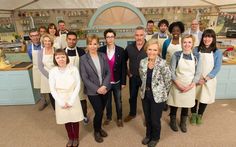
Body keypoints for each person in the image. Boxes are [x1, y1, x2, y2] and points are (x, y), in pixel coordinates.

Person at [139, 39, 171, 147]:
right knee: (147, 117)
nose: (151, 52)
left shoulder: (163, 63)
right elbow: (142, 77)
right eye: (149, 49)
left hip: (158, 96)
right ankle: (148, 135)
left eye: (154, 50)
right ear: (146, 49)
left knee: (155, 119)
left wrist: (163, 94)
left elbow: (168, 81)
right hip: (145, 94)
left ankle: (155, 137)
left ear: (158, 51)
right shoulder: (143, 62)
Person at [49, 49, 84, 147]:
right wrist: (61, 102)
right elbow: (52, 89)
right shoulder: (52, 71)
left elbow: (78, 85)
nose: (61, 59)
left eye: (63, 57)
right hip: (60, 98)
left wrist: (71, 101)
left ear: (66, 58)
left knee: (74, 119)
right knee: (66, 120)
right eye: (58, 57)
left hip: (73, 97)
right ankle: (70, 137)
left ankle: (76, 137)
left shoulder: (73, 69)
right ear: (55, 59)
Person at [79, 34, 111, 143]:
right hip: (93, 91)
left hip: (105, 88)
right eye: (90, 44)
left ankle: (100, 128)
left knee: (101, 110)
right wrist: (98, 89)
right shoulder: (83, 59)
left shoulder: (103, 55)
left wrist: (104, 86)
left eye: (95, 44)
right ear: (87, 45)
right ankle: (96, 131)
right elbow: (84, 77)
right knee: (98, 111)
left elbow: (108, 72)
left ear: (98, 44)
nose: (93, 46)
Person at [167, 35, 201, 133]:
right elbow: (171, 71)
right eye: (184, 42)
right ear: (182, 44)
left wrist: (191, 85)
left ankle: (183, 122)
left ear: (193, 44)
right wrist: (178, 84)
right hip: (177, 83)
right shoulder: (176, 55)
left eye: (189, 42)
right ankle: (172, 121)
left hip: (190, 85)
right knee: (174, 103)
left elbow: (198, 73)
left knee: (186, 105)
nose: (187, 44)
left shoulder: (196, 56)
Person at [190, 29, 222, 125]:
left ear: (213, 39)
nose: (207, 39)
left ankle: (200, 115)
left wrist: (205, 79)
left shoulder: (217, 52)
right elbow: (192, 64)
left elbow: (217, 68)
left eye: (209, 37)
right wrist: (197, 78)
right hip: (196, 79)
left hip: (208, 80)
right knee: (194, 97)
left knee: (204, 98)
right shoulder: (196, 49)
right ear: (202, 37)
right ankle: (193, 114)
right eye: (205, 36)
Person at [99, 28, 127, 127]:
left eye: (111, 36)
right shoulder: (101, 50)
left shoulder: (120, 50)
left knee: (118, 101)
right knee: (107, 102)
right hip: (106, 82)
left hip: (117, 81)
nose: (110, 39)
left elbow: (124, 67)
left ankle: (119, 118)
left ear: (114, 37)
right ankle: (108, 117)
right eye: (108, 37)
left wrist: (123, 82)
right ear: (105, 38)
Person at [64, 31, 89, 125]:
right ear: (66, 40)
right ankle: (72, 116)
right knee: (70, 98)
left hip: (80, 79)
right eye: (69, 39)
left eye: (74, 39)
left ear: (76, 40)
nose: (71, 41)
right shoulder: (62, 51)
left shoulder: (81, 51)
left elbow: (85, 66)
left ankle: (84, 116)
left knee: (82, 99)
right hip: (67, 81)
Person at [124, 26, 147, 122]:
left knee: (145, 98)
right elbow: (123, 61)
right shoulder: (129, 47)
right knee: (132, 97)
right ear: (134, 36)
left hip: (145, 78)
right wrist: (128, 72)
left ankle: (147, 117)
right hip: (133, 77)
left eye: (141, 35)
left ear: (144, 35)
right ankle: (132, 113)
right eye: (137, 35)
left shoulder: (149, 46)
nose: (139, 37)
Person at [27, 28, 47, 111]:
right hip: (36, 69)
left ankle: (54, 101)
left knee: (50, 84)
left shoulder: (45, 44)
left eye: (36, 35)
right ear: (30, 37)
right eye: (32, 36)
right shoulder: (29, 48)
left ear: (39, 35)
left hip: (45, 67)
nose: (35, 38)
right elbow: (31, 58)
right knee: (39, 87)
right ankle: (43, 101)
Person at [38, 34, 55, 110]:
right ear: (43, 42)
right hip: (46, 76)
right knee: (51, 94)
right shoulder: (41, 52)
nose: (47, 42)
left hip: (56, 75)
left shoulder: (56, 49)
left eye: (49, 41)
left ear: (51, 42)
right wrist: (49, 76)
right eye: (45, 41)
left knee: (58, 92)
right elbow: (40, 66)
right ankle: (55, 110)